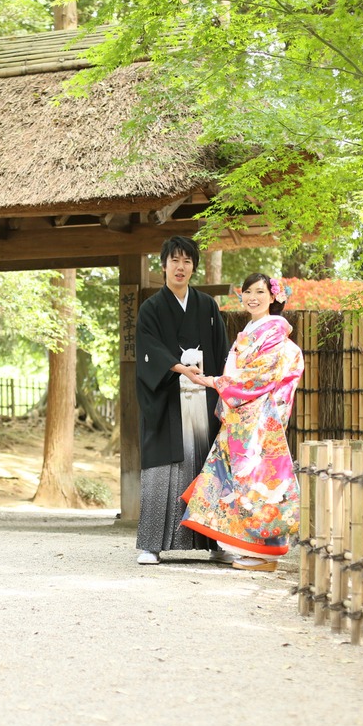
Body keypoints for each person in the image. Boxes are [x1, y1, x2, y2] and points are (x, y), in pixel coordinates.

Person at [180, 272, 304, 572]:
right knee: (236, 480)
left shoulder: (274, 330)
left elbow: (260, 374)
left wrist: (217, 382)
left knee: (258, 482)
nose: (253, 297)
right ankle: (250, 549)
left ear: (273, 297)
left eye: (260, 292)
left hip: (258, 416)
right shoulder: (252, 328)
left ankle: (264, 552)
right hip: (243, 415)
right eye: (248, 291)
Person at [134, 236, 230, 565]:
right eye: (174, 260)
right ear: (163, 265)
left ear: (194, 267)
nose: (180, 267)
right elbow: (147, 349)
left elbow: (222, 352)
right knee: (165, 468)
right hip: (167, 398)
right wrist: (179, 369)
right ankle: (151, 545)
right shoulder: (151, 308)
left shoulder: (207, 307)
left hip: (203, 398)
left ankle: (214, 543)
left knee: (207, 466)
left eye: (187, 261)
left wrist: (220, 387)